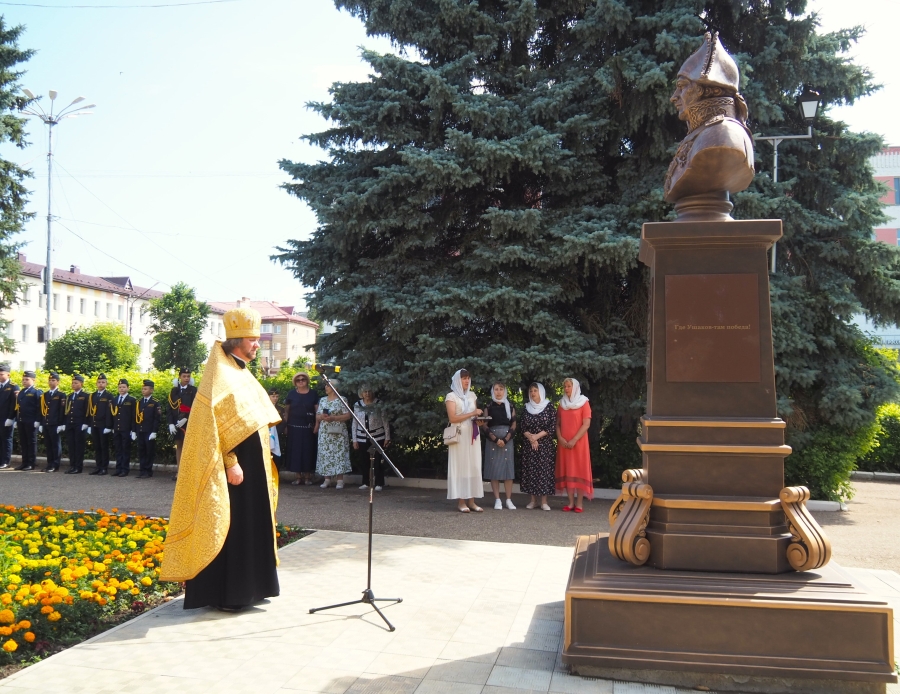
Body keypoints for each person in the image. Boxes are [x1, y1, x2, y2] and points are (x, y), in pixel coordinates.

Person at [161, 306, 282, 612]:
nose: (257, 345)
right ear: (237, 340)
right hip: (236, 467)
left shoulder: (241, 371)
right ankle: (232, 594)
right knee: (235, 526)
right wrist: (231, 461)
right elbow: (213, 426)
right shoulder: (220, 374)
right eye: (252, 340)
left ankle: (254, 588)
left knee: (252, 523)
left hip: (254, 464)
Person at [446, 369, 484, 513]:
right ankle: (461, 501)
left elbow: (473, 417)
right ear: (457, 380)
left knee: (473, 465)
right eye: (464, 378)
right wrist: (473, 413)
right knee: (461, 466)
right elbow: (453, 418)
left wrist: (479, 421)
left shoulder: (472, 395)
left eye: (468, 378)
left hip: (472, 434)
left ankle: (472, 501)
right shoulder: (451, 396)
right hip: (459, 434)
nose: (467, 381)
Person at [555, 378, 592, 512]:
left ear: (575, 387)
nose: (566, 389)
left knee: (579, 470)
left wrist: (574, 440)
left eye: (569, 386)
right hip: (564, 443)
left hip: (579, 443)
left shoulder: (584, 402)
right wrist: (560, 438)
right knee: (568, 470)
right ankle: (570, 503)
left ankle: (580, 503)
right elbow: (557, 424)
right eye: (565, 386)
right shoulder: (562, 404)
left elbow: (586, 424)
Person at [481, 382, 517, 510]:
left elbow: (513, 424)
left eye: (501, 389)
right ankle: (497, 500)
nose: (498, 392)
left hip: (507, 440)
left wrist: (506, 439)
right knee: (494, 470)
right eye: (496, 389)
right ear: (493, 391)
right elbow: (484, 425)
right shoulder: (489, 406)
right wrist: (495, 439)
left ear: (504, 391)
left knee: (508, 470)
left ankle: (508, 499)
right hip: (492, 440)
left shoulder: (510, 405)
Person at [520, 382, 555, 511]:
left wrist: (537, 437)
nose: (533, 393)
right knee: (531, 471)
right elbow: (522, 426)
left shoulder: (549, 406)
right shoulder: (526, 407)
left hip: (544, 444)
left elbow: (551, 426)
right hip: (530, 445)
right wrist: (531, 437)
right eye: (531, 391)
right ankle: (533, 500)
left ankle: (544, 502)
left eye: (535, 390)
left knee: (543, 471)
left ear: (541, 391)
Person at [352, 385, 391, 491]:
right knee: (364, 461)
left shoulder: (379, 404)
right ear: (362, 393)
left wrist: (387, 437)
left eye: (369, 391)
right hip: (362, 437)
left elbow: (385, 421)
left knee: (378, 460)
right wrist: (354, 439)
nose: (367, 394)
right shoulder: (357, 404)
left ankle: (379, 483)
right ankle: (365, 482)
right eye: (365, 392)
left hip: (378, 436)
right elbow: (354, 423)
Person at [315, 379, 352, 489]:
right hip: (325, 433)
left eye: (328, 386)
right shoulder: (322, 400)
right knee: (325, 453)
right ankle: (327, 479)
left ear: (335, 388)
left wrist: (334, 418)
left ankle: (340, 480)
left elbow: (348, 415)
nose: (326, 387)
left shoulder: (342, 399)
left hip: (338, 432)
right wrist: (321, 417)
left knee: (339, 454)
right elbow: (317, 415)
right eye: (326, 386)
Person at [283, 372, 318, 485]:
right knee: (296, 451)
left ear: (307, 381)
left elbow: (317, 411)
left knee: (308, 451)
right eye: (298, 380)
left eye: (303, 379)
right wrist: (285, 426)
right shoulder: (291, 394)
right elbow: (286, 411)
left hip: (308, 427)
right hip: (293, 427)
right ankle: (298, 477)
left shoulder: (313, 394)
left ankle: (307, 477)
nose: (301, 381)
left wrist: (317, 425)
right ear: (295, 382)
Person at [168, 367, 197, 482]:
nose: (186, 378)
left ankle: (188, 472)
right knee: (179, 446)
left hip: (187, 423)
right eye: (184, 376)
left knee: (188, 447)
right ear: (179, 377)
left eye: (188, 376)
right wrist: (170, 423)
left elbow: (195, 407)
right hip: (176, 423)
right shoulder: (174, 390)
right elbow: (170, 408)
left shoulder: (193, 390)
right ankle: (179, 472)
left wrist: (187, 419)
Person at [15, 370, 41, 471]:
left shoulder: (36, 392)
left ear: (33, 380)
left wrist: (37, 420)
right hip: (22, 420)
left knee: (31, 442)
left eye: (27, 379)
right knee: (23, 442)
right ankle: (24, 462)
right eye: (23, 379)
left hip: (31, 421)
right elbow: (18, 406)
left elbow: (39, 408)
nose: (24, 381)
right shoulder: (22, 392)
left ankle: (31, 463)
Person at [88, 373, 114, 476]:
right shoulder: (92, 396)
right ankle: (98, 466)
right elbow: (90, 411)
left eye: (103, 382)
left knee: (104, 447)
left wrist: (108, 426)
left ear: (106, 384)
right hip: (94, 424)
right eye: (99, 382)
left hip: (103, 425)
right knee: (97, 447)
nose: (101, 384)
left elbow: (109, 412)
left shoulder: (109, 396)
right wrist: (90, 425)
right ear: (96, 383)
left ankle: (104, 467)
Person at [41, 372, 66, 473]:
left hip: (55, 423)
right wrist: (42, 423)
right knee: (48, 444)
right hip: (46, 422)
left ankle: (55, 464)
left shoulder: (61, 395)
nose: (51, 382)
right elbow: (42, 410)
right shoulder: (45, 395)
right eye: (50, 380)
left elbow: (62, 410)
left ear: (58, 382)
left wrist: (61, 424)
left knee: (55, 444)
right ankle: (49, 463)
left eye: (53, 380)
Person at [110, 379, 136, 477]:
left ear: (128, 388)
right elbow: (112, 414)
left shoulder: (132, 400)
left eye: (124, 387)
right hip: (117, 428)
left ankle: (125, 469)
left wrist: (133, 430)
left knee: (125, 449)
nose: (121, 389)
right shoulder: (115, 399)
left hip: (126, 429)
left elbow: (133, 416)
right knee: (118, 449)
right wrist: (112, 427)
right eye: (120, 387)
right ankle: (118, 468)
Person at [135, 380, 161, 479]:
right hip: (141, 430)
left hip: (149, 431)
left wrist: (154, 431)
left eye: (145, 389)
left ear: (151, 390)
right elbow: (135, 417)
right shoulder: (139, 402)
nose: (143, 390)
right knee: (141, 451)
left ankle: (148, 470)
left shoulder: (155, 402)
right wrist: (134, 430)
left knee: (149, 451)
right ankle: (142, 470)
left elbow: (157, 418)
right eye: (143, 389)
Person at [64, 375, 89, 474]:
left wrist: (86, 423)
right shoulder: (70, 396)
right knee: (71, 446)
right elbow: (67, 411)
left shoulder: (85, 396)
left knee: (79, 446)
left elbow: (88, 411)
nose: (73, 385)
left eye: (76, 383)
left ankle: (78, 467)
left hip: (80, 424)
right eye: (73, 383)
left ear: (81, 384)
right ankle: (72, 465)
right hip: (70, 423)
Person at [0, 364, 18, 470]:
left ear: (8, 374)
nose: (0, 376)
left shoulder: (13, 387)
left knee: (6, 439)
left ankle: (6, 461)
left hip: (6, 418)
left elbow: (14, 404)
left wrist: (11, 417)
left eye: (1, 374)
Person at [268, 388, 285, 469]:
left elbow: (283, 422)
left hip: (277, 435)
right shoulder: (264, 408)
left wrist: (277, 432)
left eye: (277, 396)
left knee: (276, 456)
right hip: (267, 435)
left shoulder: (281, 409)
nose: (275, 398)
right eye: (273, 396)